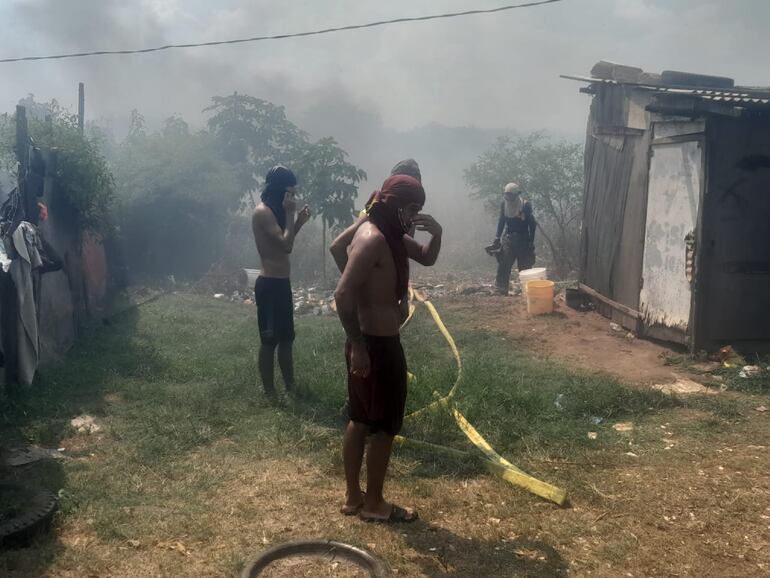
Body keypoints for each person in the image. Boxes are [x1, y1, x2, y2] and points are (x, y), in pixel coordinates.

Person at [334, 174, 442, 523]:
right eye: (411, 209)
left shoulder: (390, 236)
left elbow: (426, 257)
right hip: (375, 346)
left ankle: (354, 497)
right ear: (394, 204)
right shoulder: (374, 238)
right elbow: (342, 294)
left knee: (360, 418)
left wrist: (437, 234)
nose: (413, 217)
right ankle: (374, 503)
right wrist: (360, 344)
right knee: (382, 428)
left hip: (373, 343)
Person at [251, 165, 311, 397]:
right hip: (269, 285)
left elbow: (286, 243)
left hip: (282, 283)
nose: (292, 197)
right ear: (279, 192)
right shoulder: (263, 212)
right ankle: (269, 392)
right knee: (269, 341)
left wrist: (298, 223)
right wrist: (289, 213)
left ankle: (290, 386)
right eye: (289, 193)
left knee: (287, 339)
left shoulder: (275, 213)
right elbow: (286, 245)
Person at [486, 182, 536, 295]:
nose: (508, 197)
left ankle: (527, 291)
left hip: (523, 239)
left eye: (510, 195)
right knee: (504, 262)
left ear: (516, 194)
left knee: (525, 267)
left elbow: (532, 225)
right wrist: (497, 237)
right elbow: (502, 221)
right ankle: (501, 289)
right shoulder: (504, 205)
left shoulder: (525, 205)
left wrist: (531, 242)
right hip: (508, 238)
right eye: (506, 195)